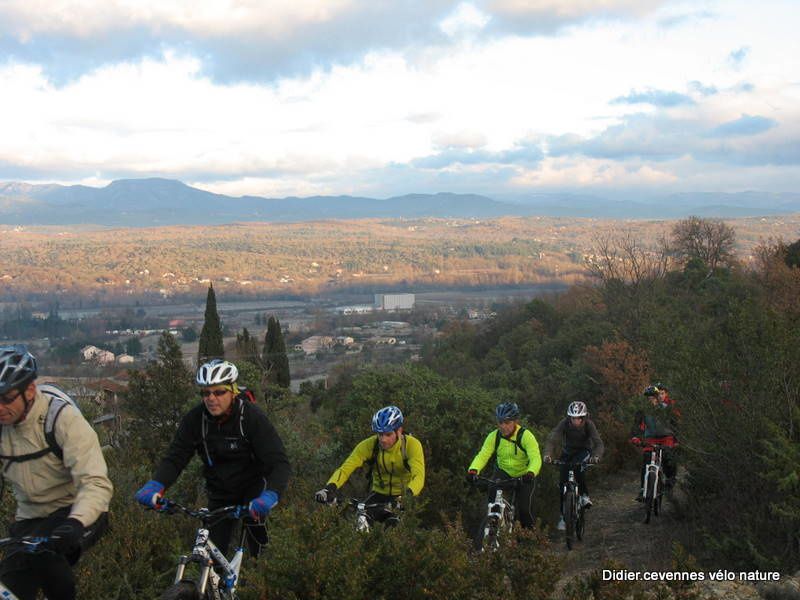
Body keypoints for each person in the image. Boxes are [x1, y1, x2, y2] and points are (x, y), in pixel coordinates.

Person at [135, 359, 290, 557]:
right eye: (205, 393)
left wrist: (270, 495)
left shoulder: (250, 417)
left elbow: (279, 463)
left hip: (253, 490)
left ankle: (260, 574)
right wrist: (155, 485)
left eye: (219, 392)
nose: (211, 398)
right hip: (220, 493)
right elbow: (175, 458)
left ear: (233, 391)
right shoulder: (195, 420)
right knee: (212, 558)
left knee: (257, 545)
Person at [0, 345, 112, 600]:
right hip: (31, 517)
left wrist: (74, 523)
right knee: (10, 586)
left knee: (48, 558)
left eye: (6, 398)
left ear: (29, 390)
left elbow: (95, 482)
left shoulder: (61, 418)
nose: (0, 407)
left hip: (78, 511)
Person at [314, 406, 425, 525]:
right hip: (378, 494)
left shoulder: (412, 445)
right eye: (380, 434)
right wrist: (329, 488)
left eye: (388, 434)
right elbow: (345, 469)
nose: (383, 439)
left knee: (394, 525)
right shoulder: (369, 445)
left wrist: (406, 498)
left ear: (399, 431)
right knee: (360, 521)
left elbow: (418, 476)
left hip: (403, 496)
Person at [466, 402, 542, 529]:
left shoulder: (526, 436)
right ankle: (494, 526)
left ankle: (529, 540)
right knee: (493, 502)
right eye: (500, 423)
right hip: (504, 472)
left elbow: (535, 458)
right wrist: (473, 470)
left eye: (507, 423)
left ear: (515, 422)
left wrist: (531, 473)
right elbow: (483, 455)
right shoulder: (494, 436)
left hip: (524, 475)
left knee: (524, 510)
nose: (503, 426)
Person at [543, 401, 604, 531]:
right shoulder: (564, 423)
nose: (575, 421)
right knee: (562, 483)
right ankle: (563, 516)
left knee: (579, 469)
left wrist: (596, 456)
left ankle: (584, 496)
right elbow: (552, 439)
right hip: (568, 452)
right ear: (569, 417)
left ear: (584, 417)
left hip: (584, 451)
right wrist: (548, 455)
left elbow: (598, 443)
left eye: (578, 418)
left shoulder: (589, 425)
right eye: (573, 418)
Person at [630, 383, 679, 501]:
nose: (651, 400)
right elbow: (636, 425)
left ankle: (669, 481)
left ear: (658, 398)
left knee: (668, 457)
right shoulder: (642, 411)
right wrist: (635, 437)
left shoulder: (667, 408)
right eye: (649, 398)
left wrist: (676, 440)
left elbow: (675, 424)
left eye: (653, 398)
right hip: (650, 439)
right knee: (646, 461)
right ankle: (643, 489)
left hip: (666, 437)